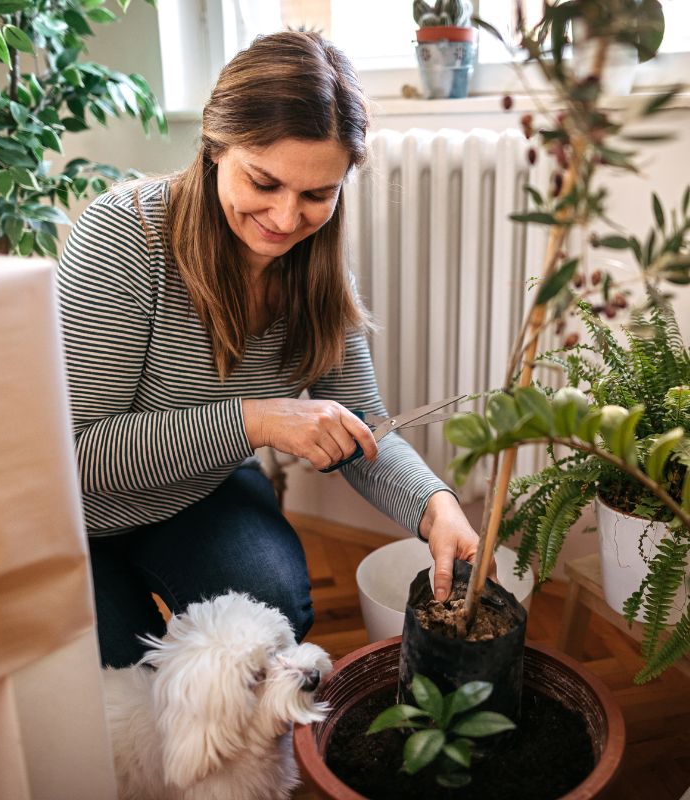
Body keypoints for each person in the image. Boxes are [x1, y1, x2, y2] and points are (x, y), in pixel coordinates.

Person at [57, 29, 480, 668]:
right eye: (264, 182)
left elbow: (363, 428)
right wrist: (257, 420)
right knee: (125, 686)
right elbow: (77, 455)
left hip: (197, 492)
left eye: (317, 195)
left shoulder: (317, 269)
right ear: (215, 147)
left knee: (272, 616)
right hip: (76, 521)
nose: (286, 220)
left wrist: (435, 505)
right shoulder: (123, 236)